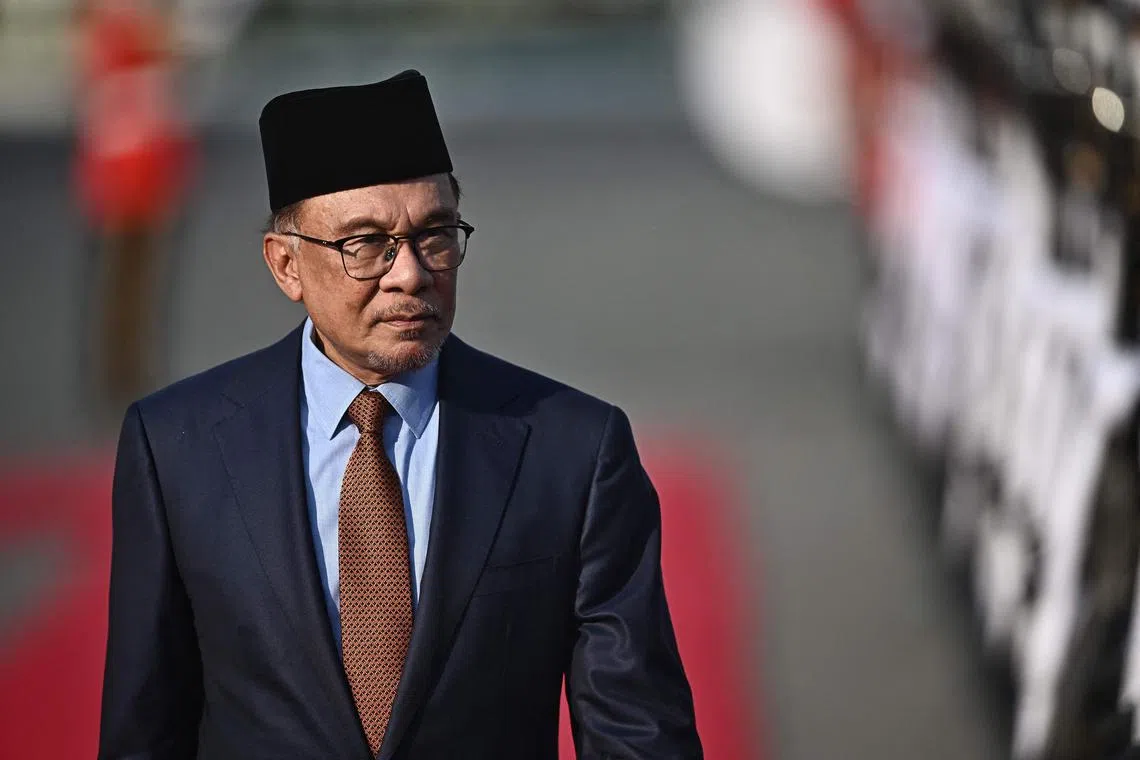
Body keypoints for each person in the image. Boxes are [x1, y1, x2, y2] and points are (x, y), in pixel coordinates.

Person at [98, 70, 702, 759]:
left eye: (436, 234)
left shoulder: (572, 450)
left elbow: (638, 730)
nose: (411, 273)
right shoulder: (179, 447)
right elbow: (146, 727)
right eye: (365, 244)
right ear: (285, 266)